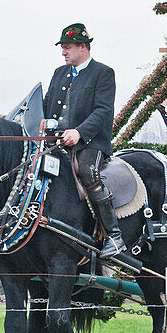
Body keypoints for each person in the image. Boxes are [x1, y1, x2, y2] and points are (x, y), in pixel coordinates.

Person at [44, 23, 124, 258]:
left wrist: (79, 132)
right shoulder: (60, 73)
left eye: (67, 47)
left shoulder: (103, 72)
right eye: (62, 48)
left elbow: (102, 111)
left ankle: (114, 236)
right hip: (57, 141)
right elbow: (49, 102)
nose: (63, 52)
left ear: (83, 47)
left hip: (89, 143)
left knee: (89, 173)